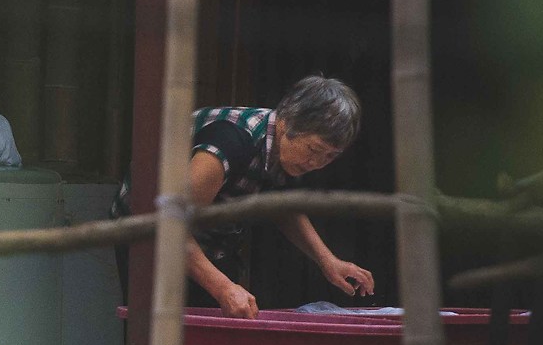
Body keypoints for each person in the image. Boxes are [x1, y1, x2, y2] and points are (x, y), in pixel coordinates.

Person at [119, 75, 374, 318]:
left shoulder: (286, 151)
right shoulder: (231, 141)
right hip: (149, 232)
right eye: (313, 149)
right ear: (286, 123)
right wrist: (223, 287)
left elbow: (283, 206)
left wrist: (328, 261)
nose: (316, 163)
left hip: (211, 241)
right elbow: (170, 227)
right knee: (159, 338)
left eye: (329, 156)